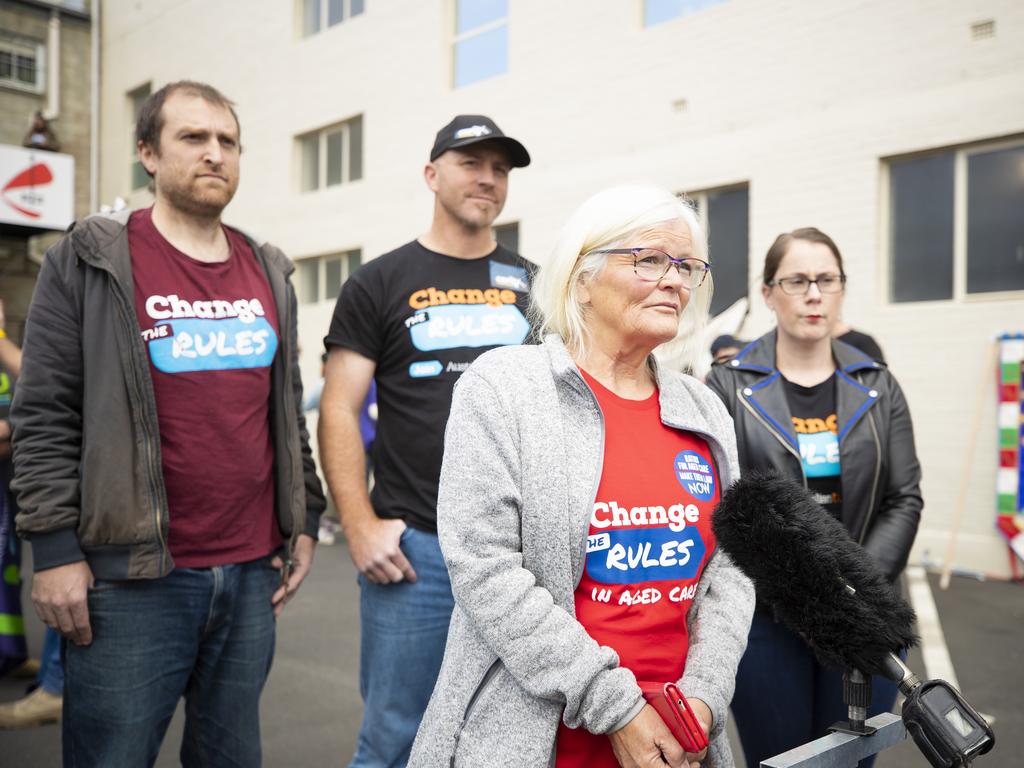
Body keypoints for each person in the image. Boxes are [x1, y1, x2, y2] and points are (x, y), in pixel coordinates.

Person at [10, 80, 325, 765]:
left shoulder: (267, 270)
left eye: (228, 142)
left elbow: (284, 408)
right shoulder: (92, 258)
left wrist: (303, 517)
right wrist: (56, 551)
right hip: (131, 582)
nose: (215, 154)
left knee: (229, 758)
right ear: (148, 154)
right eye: (194, 138)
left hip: (248, 575)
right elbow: (44, 412)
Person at [409, 184, 755, 768]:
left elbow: (732, 570)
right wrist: (616, 707)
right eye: (649, 260)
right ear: (582, 276)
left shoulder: (703, 409)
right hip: (534, 741)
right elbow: (484, 568)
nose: (674, 280)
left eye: (686, 266)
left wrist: (704, 697)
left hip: (679, 742)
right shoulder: (503, 389)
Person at [319, 114, 534, 767]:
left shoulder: (536, 284)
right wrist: (357, 524)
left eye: (500, 168)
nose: (488, 179)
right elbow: (337, 406)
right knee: (395, 738)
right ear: (431, 173)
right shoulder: (379, 281)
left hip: (518, 554)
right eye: (472, 163)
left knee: (514, 733)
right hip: (418, 552)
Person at [706, 227, 922, 768]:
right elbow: (718, 507)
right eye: (796, 280)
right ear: (768, 293)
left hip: (864, 615)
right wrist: (807, 593)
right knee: (780, 759)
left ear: (841, 288)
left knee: (854, 760)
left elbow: (904, 497)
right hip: (767, 620)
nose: (813, 293)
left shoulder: (877, 384)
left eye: (826, 279)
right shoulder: (727, 387)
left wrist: (853, 592)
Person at [0, 303, 65, 728]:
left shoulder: (8, 357)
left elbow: (37, 387)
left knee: (11, 575)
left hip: (14, 485)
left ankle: (13, 655)